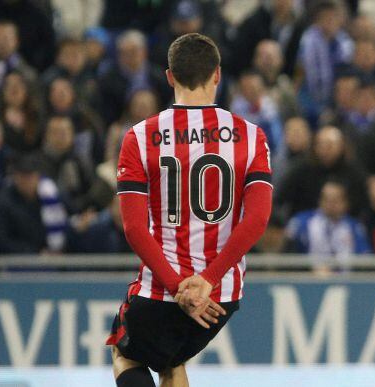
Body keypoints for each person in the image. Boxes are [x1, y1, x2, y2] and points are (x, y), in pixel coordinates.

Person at [105, 33, 273, 387]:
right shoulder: (251, 136)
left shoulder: (139, 137)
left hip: (161, 287)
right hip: (221, 295)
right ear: (217, 75)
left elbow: (134, 228)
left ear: (169, 77)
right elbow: (257, 219)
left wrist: (178, 287)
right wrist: (208, 280)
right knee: (173, 360)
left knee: (124, 352)